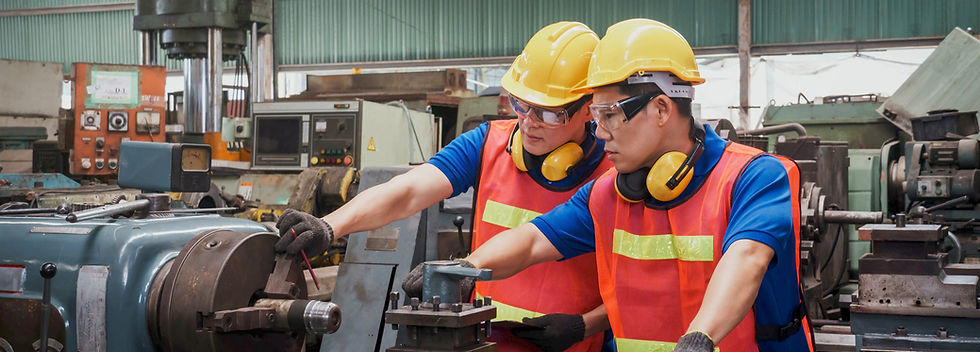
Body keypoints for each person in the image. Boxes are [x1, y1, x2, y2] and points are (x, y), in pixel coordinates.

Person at [423, 19, 815, 351]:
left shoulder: (754, 177)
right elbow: (530, 241)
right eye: (594, 115)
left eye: (609, 115)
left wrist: (701, 337)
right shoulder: (607, 193)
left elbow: (746, 258)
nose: (599, 131)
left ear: (661, 108)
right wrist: (465, 268)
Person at [276, 21, 615, 352]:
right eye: (520, 104)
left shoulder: (613, 175)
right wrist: (331, 225)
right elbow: (408, 190)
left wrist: (586, 324)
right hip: (483, 340)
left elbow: (643, 285)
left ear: (589, 109)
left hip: (571, 342)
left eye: (548, 113)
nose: (528, 122)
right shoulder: (488, 146)